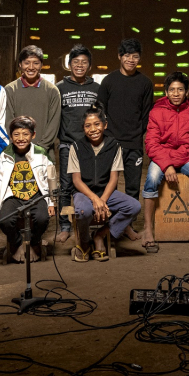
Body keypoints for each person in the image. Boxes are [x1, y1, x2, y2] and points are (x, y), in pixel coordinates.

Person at [141, 72, 189, 251]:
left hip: (187, 156)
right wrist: (168, 165)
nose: (175, 93)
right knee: (151, 179)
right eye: (172, 90)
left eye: (180, 90)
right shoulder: (156, 112)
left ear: (187, 92)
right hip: (162, 157)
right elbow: (151, 144)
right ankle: (148, 229)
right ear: (166, 92)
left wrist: (182, 156)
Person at [69, 102, 142, 262]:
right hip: (83, 192)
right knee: (84, 211)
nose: (93, 129)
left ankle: (100, 235)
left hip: (106, 191)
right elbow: (76, 180)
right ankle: (84, 241)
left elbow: (114, 178)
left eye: (97, 124)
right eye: (88, 126)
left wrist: (102, 200)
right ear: (83, 128)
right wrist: (95, 199)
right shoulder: (76, 147)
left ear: (105, 124)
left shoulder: (114, 145)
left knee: (134, 206)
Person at [96, 38, 153, 240]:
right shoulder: (109, 81)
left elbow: (146, 114)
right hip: (111, 143)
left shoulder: (145, 83)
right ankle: (104, 221)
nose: (131, 59)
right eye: (127, 55)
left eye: (135, 56)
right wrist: (108, 136)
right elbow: (100, 111)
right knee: (106, 184)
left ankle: (127, 225)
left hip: (134, 144)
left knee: (131, 187)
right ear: (119, 56)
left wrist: (136, 133)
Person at [0, 116, 55, 263]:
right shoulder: (5, 154)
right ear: (11, 136)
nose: (21, 138)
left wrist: (51, 202)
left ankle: (34, 242)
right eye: (16, 134)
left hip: (36, 194)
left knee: (42, 218)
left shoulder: (41, 153)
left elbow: (50, 178)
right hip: (13, 195)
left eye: (25, 134)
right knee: (5, 220)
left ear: (33, 135)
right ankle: (17, 242)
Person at [56, 44, 100, 243]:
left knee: (92, 183)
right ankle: (65, 225)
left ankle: (91, 221)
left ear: (89, 65)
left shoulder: (97, 89)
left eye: (84, 62)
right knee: (66, 187)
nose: (80, 65)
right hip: (67, 145)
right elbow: (56, 117)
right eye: (76, 62)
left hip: (90, 146)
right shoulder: (59, 88)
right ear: (69, 64)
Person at [4, 45, 61, 156]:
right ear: (20, 65)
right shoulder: (10, 90)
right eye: (27, 63)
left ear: (41, 65)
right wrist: (18, 145)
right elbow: (8, 122)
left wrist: (40, 148)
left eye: (36, 63)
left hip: (44, 153)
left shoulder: (52, 91)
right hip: (17, 152)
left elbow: (54, 124)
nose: (31, 67)